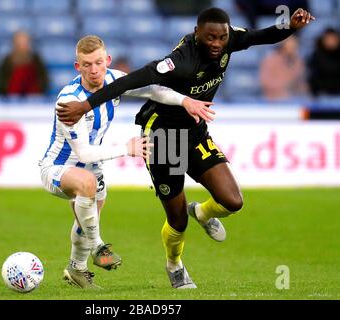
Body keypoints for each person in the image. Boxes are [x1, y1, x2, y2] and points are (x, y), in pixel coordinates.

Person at [56, 8, 315, 289]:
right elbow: (133, 79)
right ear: (197, 33)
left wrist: (289, 26)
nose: (217, 44)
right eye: (210, 38)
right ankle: (174, 265)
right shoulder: (180, 61)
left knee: (233, 201)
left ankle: (202, 212)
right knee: (177, 221)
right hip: (164, 136)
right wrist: (85, 105)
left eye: (222, 37)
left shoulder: (229, 40)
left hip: (195, 132)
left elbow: (261, 36)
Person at [39, 35, 215, 289]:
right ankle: (99, 247)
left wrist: (185, 101)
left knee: (85, 219)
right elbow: (84, 153)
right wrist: (126, 149)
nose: (94, 69)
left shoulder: (114, 80)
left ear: (107, 60)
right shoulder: (69, 100)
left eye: (98, 62)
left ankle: (76, 269)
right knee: (86, 187)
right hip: (57, 167)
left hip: (92, 167)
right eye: (86, 64)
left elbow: (154, 90)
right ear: (77, 67)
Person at [0, 31, 49, 95]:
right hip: (12, 98)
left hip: (34, 98)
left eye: (25, 43)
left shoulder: (36, 59)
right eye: (20, 43)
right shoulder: (7, 60)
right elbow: (2, 81)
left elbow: (43, 80)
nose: (22, 46)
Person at [260, 35, 308, 100]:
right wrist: (285, 84)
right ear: (283, 47)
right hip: (273, 99)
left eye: (294, 47)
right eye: (290, 47)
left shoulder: (298, 61)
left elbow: (301, 80)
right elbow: (265, 82)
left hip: (294, 98)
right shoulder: (270, 60)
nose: (292, 49)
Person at [308, 28, 340, 96]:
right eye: (328, 39)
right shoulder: (316, 56)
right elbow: (314, 79)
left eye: (333, 39)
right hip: (322, 94)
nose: (330, 42)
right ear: (323, 40)